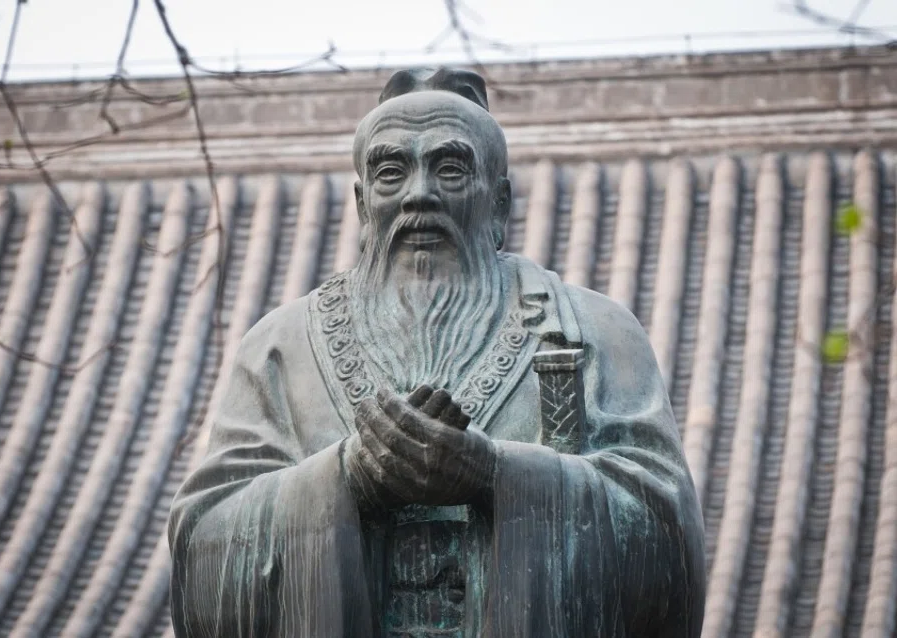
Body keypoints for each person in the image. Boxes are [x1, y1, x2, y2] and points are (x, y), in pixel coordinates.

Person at [168, 68, 705, 638]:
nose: (419, 193)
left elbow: (668, 541)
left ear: (499, 202)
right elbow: (202, 552)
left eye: (449, 169)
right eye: (391, 172)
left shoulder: (594, 332)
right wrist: (347, 479)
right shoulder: (280, 347)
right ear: (361, 202)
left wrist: (496, 473)